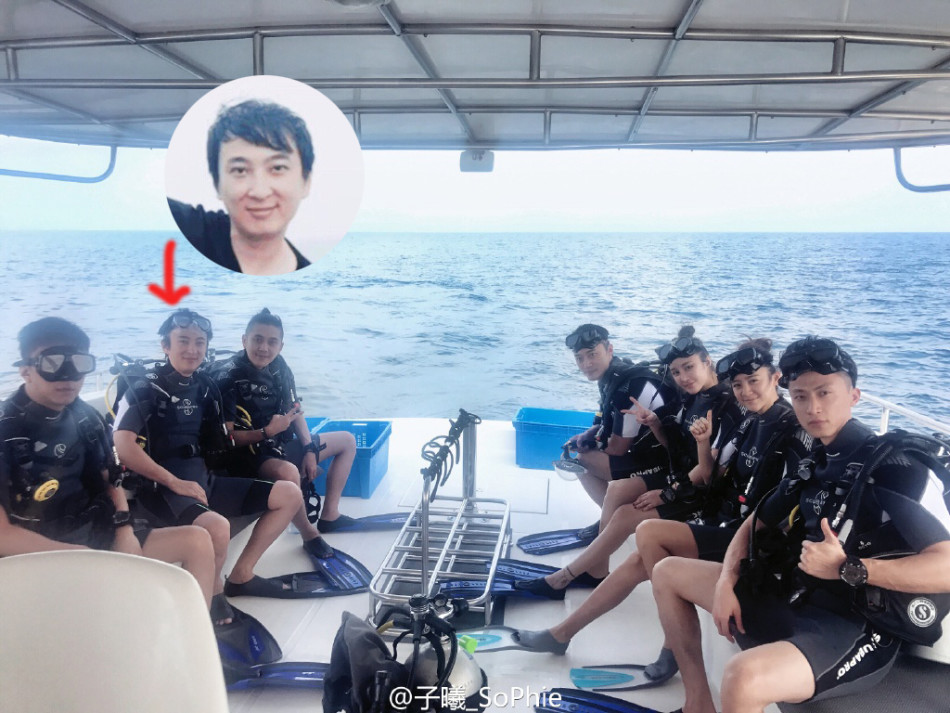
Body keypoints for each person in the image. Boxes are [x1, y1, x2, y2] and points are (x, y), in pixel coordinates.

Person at [650, 336, 950, 713]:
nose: (813, 407)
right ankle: (697, 704)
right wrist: (726, 580)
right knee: (667, 573)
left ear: (854, 396)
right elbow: (753, 524)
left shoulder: (896, 469)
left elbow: (945, 567)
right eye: (801, 396)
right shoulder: (814, 464)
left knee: (743, 676)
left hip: (855, 625)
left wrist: (848, 568)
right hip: (797, 596)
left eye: (824, 393)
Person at [514, 338, 810, 671]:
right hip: (723, 518)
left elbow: (774, 510)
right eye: (739, 384)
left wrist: (670, 493)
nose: (745, 391)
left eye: (753, 381)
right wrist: (681, 436)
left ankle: (670, 640)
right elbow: (712, 471)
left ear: (776, 378)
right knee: (638, 557)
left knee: (647, 535)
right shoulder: (748, 421)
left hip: (746, 537)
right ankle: (563, 630)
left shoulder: (780, 428)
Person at [0, 317, 216, 613]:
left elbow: (110, 479)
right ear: (25, 369)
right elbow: (3, 535)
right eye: (52, 363)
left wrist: (124, 531)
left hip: (94, 533)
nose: (68, 376)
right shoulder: (6, 431)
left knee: (198, 541)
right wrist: (77, 555)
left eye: (79, 363)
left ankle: (197, 631)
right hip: (34, 554)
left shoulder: (86, 418)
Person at [516, 326, 743, 592]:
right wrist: (655, 423)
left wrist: (668, 493)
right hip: (678, 474)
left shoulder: (724, 406)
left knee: (624, 514)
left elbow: (707, 473)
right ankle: (597, 567)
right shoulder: (692, 396)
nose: (682, 377)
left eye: (689, 367)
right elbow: (676, 446)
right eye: (676, 372)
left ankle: (565, 577)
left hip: (698, 491)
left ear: (707, 362)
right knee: (618, 491)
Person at [112, 308, 300, 614]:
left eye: (200, 342)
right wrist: (174, 482)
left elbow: (223, 441)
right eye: (183, 341)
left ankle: (241, 575)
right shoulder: (144, 387)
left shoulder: (206, 386)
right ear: (165, 345)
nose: (192, 349)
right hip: (162, 490)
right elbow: (123, 446)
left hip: (203, 483)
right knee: (217, 525)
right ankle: (213, 595)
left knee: (288, 493)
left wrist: (264, 439)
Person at [212, 307, 358, 554]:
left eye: (272, 342)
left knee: (347, 441)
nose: (264, 348)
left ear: (281, 346)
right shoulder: (228, 376)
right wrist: (267, 432)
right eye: (257, 339)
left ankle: (330, 515)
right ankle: (309, 534)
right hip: (246, 455)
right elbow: (226, 438)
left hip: (277, 444)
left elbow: (294, 410)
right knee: (289, 471)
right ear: (244, 340)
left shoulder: (279, 365)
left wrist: (309, 449)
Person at [169, 99, 315, 275]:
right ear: (217, 184)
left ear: (306, 182)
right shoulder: (186, 232)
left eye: (277, 168)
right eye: (240, 170)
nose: (260, 192)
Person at [562, 324, 678, 507]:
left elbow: (617, 449)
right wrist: (588, 435)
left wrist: (591, 446)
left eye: (592, 354)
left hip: (669, 464)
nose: (586, 364)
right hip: (650, 454)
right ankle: (612, 514)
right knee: (585, 455)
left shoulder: (629, 388)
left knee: (583, 461)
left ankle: (612, 516)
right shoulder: (613, 376)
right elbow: (605, 419)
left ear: (609, 350)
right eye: (579, 358)